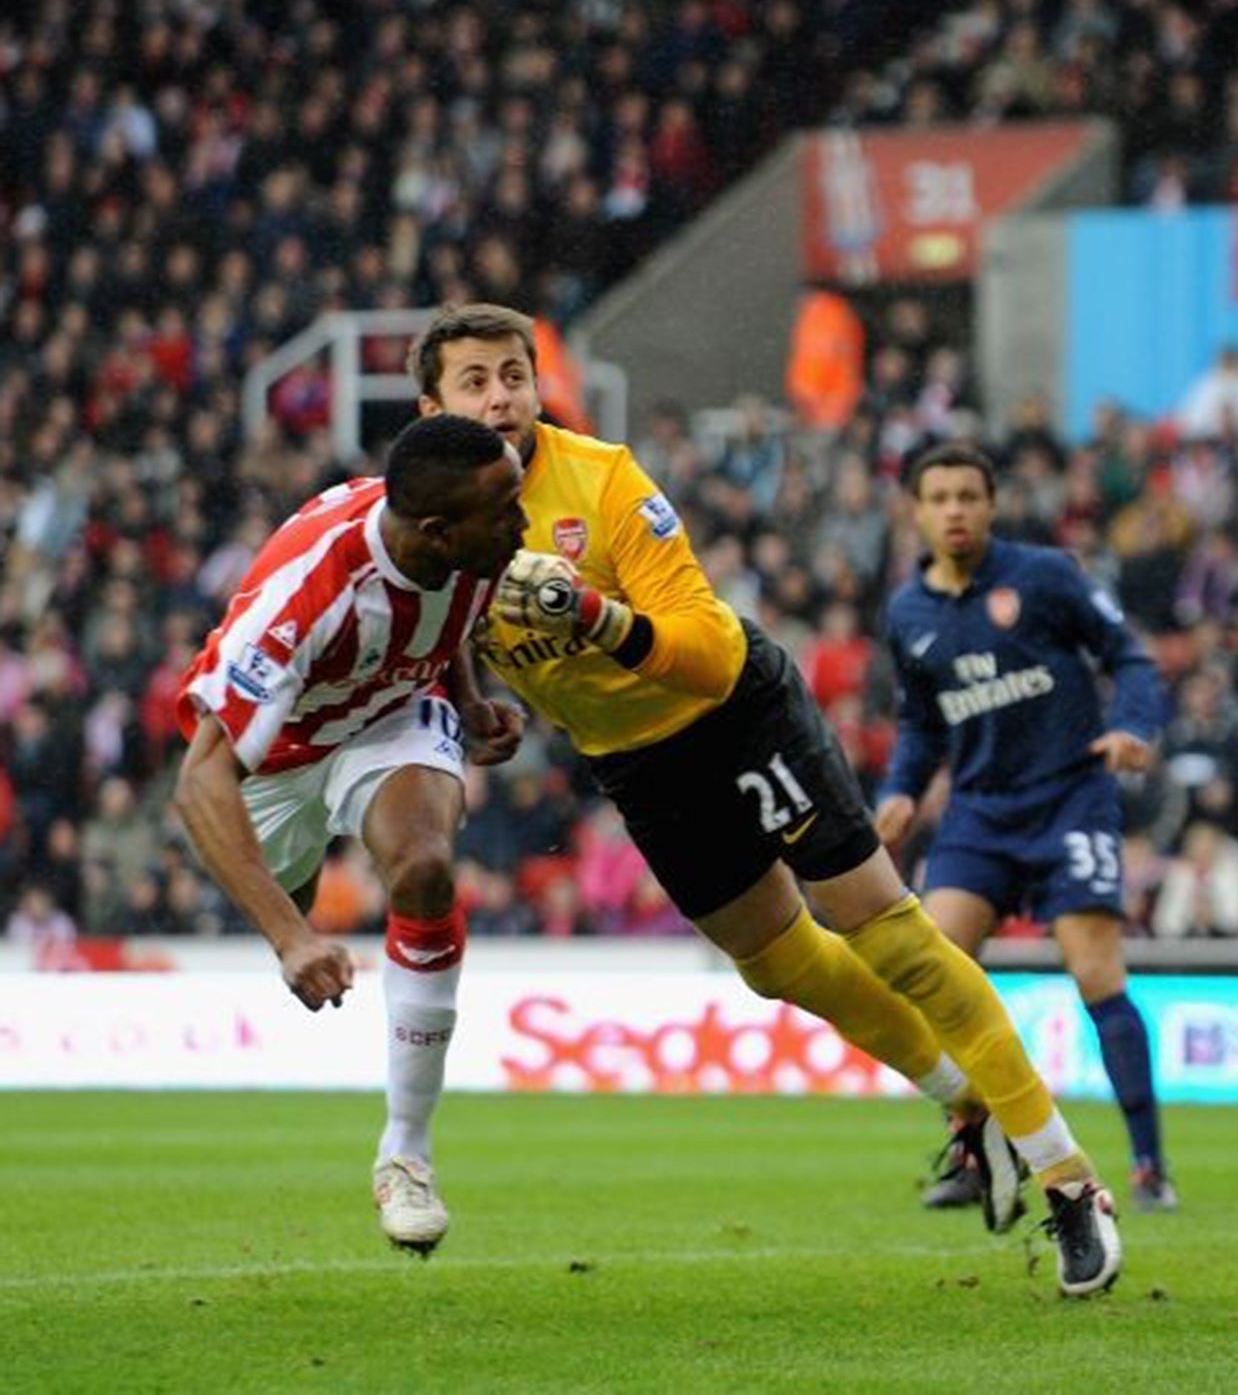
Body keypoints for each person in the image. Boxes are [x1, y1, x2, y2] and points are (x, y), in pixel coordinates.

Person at [413, 304, 1121, 1297]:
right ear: (431, 405)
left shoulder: (607, 481)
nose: (499, 398)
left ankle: (1067, 1179)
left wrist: (593, 614)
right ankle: (968, 1105)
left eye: (512, 375)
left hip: (733, 711)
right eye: (475, 382)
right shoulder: (424, 529)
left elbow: (702, 650)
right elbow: (427, 645)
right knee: (772, 965)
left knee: (880, 927)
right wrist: (475, 699)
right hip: (635, 763)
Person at [173, 414, 531, 1254]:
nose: (524, 522)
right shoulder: (311, 590)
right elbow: (197, 782)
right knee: (276, 908)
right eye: (507, 510)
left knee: (426, 871)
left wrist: (469, 699)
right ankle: (293, 923)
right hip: (282, 755)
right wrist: (294, 938)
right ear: (439, 532)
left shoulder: (463, 538)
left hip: (389, 717)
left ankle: (405, 1154)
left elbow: (448, 606)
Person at [874, 442, 1176, 1213]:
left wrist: (1134, 726)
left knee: (1096, 972)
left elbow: (1130, 657)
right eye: (938, 497)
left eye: (968, 496)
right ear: (916, 511)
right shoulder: (907, 614)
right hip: (977, 814)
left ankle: (1148, 1166)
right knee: (934, 975)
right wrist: (903, 790)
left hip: (1070, 798)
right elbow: (921, 723)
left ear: (992, 503)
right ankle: (976, 1154)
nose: (954, 510)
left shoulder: (1044, 575)